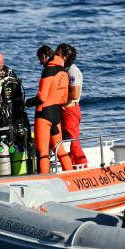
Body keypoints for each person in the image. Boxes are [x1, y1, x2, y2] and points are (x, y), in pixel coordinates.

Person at [25, 45, 73, 173]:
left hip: (44, 116)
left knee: (43, 153)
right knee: (60, 149)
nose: (40, 63)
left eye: (40, 59)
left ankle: (43, 179)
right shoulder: (63, 72)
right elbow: (64, 97)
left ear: (44, 56)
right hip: (57, 115)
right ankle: (70, 175)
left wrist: (28, 103)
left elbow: (42, 97)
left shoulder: (48, 71)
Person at [55, 43, 88, 167]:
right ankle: (70, 164)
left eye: (57, 54)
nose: (55, 55)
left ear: (65, 57)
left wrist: (57, 93)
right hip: (63, 109)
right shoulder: (64, 70)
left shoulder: (72, 71)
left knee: (74, 141)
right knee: (61, 140)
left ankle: (82, 165)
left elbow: (74, 94)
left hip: (70, 109)